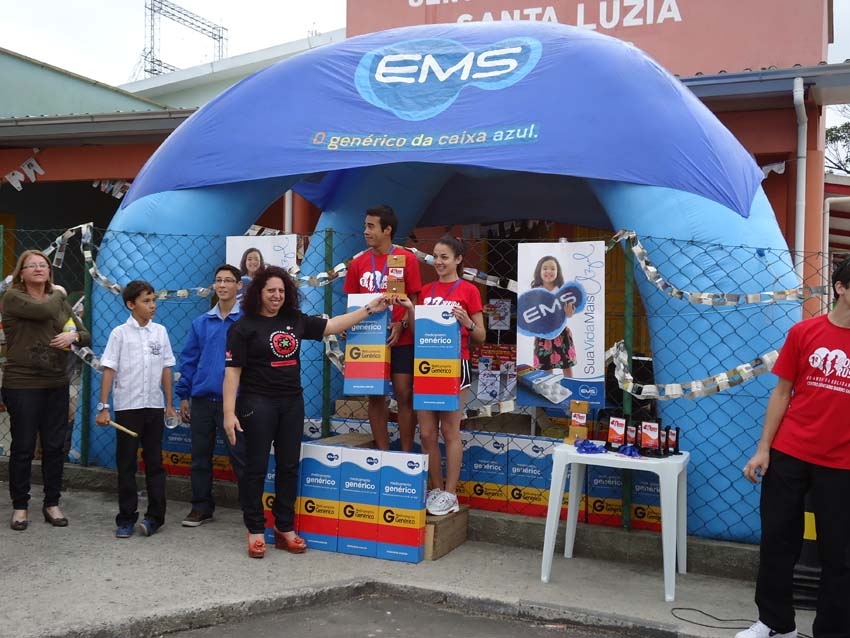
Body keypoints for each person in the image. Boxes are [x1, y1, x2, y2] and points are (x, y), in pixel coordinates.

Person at [223, 266, 393, 558]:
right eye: (270, 290)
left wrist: (369, 309)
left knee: (289, 466)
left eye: (281, 290)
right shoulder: (243, 327)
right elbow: (232, 372)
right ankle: (255, 530)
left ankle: (284, 528)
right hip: (257, 403)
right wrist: (229, 413)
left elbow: (332, 326)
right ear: (258, 293)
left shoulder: (294, 319)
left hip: (292, 402)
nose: (277, 295)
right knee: (256, 467)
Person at [737, 258, 850, 638]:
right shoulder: (804, 333)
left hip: (843, 463)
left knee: (840, 554)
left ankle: (832, 631)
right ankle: (775, 624)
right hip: (790, 451)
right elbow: (782, 393)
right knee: (777, 542)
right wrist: (763, 449)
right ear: (841, 288)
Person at [3, 250, 91, 531]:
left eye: (43, 265)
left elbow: (85, 334)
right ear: (21, 273)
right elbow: (44, 311)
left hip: (56, 383)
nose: (39, 269)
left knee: (54, 447)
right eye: (32, 265)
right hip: (23, 383)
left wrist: (73, 335)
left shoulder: (58, 301)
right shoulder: (14, 297)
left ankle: (52, 503)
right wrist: (60, 292)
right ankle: (20, 506)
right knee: (23, 447)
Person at [398, 236, 484, 516]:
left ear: (458, 259)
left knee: (449, 431)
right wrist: (410, 310)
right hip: (427, 365)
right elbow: (416, 331)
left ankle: (450, 493)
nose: (438, 262)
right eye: (435, 256)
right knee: (426, 433)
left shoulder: (469, 290)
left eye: (444, 257)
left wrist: (467, 322)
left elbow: (481, 335)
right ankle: (436, 489)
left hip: (455, 365)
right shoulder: (425, 291)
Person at [96, 280, 178, 539]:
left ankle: (155, 517)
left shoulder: (160, 332)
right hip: (127, 408)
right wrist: (103, 407)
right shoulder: (119, 334)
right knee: (126, 464)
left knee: (155, 463)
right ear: (131, 305)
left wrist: (169, 405)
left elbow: (166, 368)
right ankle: (126, 518)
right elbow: (109, 369)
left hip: (153, 406)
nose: (152, 305)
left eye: (153, 300)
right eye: (146, 301)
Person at [343, 204, 422, 451]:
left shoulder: (406, 259)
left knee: (404, 394)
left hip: (401, 338)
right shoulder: (358, 263)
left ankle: (406, 455)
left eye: (371, 226)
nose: (365, 231)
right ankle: (382, 453)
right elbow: (352, 302)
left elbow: (415, 299)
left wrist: (403, 323)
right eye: (365, 226)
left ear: (387, 230)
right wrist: (347, 324)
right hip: (368, 339)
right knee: (375, 395)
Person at [175, 264, 246, 527]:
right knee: (200, 457)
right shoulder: (201, 323)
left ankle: (252, 510)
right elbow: (189, 360)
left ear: (239, 285)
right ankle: (201, 507)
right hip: (202, 401)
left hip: (236, 403)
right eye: (218, 280)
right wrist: (183, 395)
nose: (223, 285)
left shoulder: (247, 322)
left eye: (228, 280)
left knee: (241, 457)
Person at [530, 255, 576, 376]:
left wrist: (569, 310)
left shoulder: (563, 291)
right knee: (546, 367)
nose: (549, 271)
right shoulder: (535, 291)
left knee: (566, 365)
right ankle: (549, 388)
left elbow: (569, 314)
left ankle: (570, 386)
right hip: (543, 334)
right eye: (545, 268)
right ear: (539, 271)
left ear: (558, 272)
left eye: (552, 268)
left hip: (561, 333)